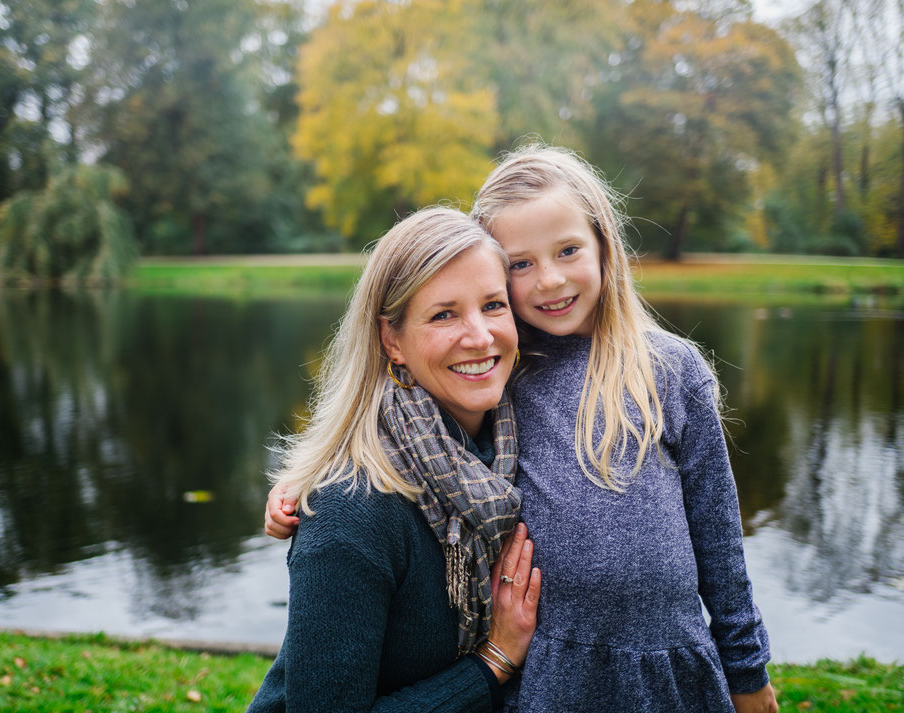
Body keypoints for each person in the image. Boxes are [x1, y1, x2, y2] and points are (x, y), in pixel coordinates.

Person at [267, 145, 777, 713]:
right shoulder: (500, 380)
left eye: (567, 250)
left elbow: (721, 547)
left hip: (671, 674)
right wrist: (304, 488)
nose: (550, 280)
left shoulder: (649, 372)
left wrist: (748, 676)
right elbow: (379, 431)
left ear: (606, 245)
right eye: (520, 264)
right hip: (547, 684)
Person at [248, 207, 542, 713]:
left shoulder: (516, 450)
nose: (479, 336)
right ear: (392, 340)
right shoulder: (351, 509)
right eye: (444, 314)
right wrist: (493, 660)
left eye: (493, 305)